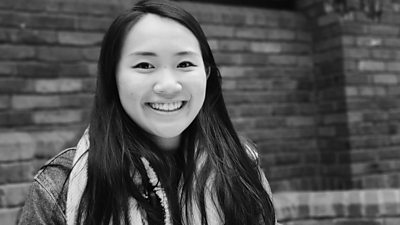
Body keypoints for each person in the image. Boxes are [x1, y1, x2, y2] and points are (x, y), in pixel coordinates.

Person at [18, 0, 279, 224]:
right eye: (145, 64)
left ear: (207, 74)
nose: (168, 85)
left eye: (185, 63)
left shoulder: (241, 166)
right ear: (113, 78)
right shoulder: (60, 186)